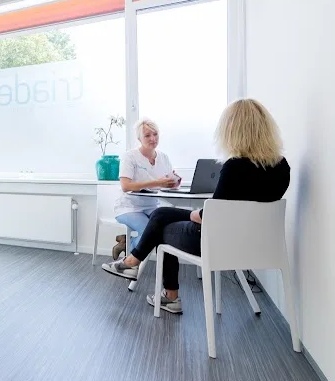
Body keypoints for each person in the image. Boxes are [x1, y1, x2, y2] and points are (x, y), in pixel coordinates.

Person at [106, 99, 290, 315]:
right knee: (161, 213)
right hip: (253, 242)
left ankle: (159, 286)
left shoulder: (235, 167)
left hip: (213, 241)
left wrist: (196, 214)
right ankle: (133, 263)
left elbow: (209, 218)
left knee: (160, 223)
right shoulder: (282, 166)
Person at [102, 118, 181, 278]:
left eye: (155, 134)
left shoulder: (164, 157)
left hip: (152, 206)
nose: (153, 138)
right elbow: (126, 186)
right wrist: (157, 182)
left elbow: (165, 182)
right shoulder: (130, 156)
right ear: (139, 138)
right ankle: (129, 264)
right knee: (148, 231)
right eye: (147, 135)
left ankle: (128, 245)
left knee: (165, 228)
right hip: (129, 207)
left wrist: (173, 182)